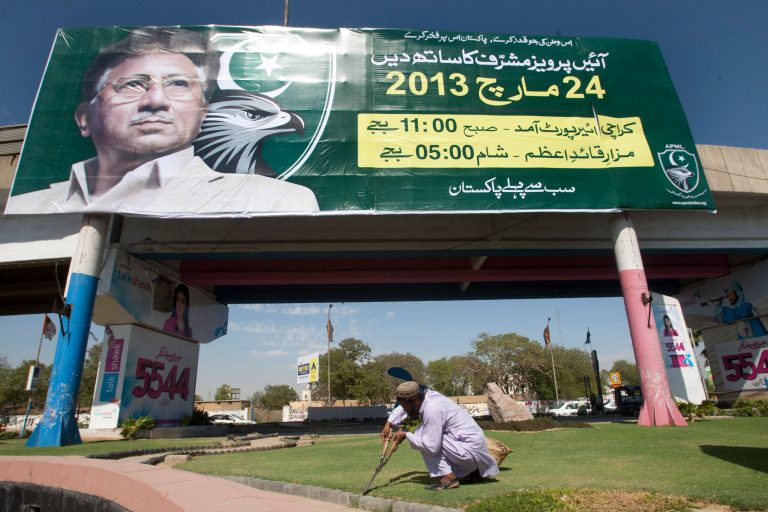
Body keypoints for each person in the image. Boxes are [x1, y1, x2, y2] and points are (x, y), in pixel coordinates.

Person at [5, 27, 318, 216]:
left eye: (178, 84)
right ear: (85, 119)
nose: (155, 100)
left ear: (203, 114)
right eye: (132, 84)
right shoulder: (26, 208)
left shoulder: (280, 200)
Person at [382, 381, 499, 491]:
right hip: (471, 450)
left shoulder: (432, 408)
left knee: (422, 436)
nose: (404, 410)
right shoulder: (430, 396)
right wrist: (389, 423)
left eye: (404, 406)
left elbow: (432, 446)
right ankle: (469, 474)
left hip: (470, 452)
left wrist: (406, 435)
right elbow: (402, 408)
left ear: (415, 400)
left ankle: (449, 479)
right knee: (422, 434)